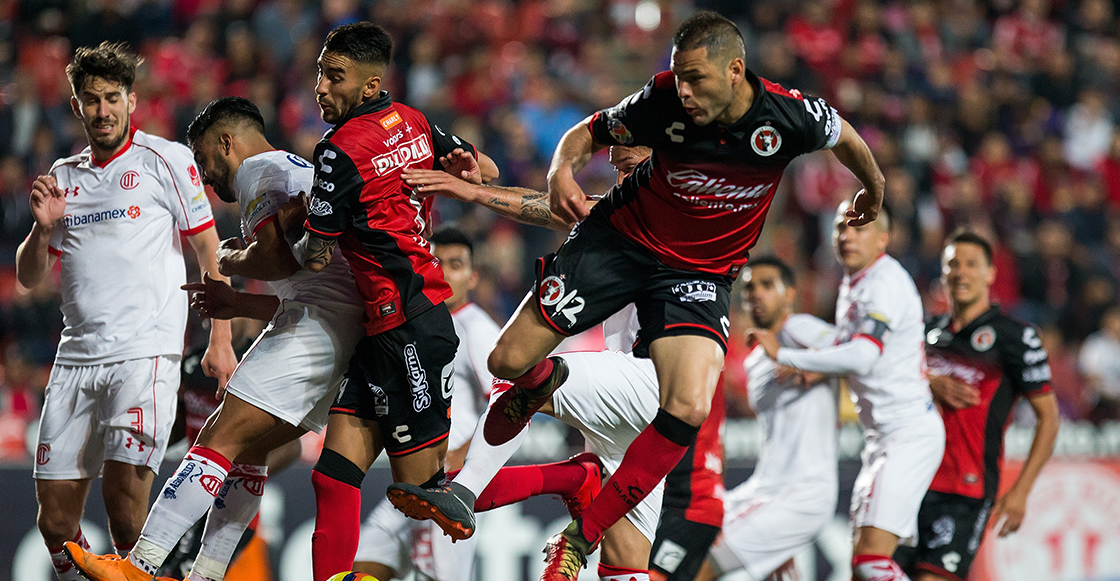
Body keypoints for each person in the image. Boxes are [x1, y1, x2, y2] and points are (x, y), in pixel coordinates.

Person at [389, 11, 885, 580]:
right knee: (506, 361)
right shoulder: (660, 106)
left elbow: (843, 134)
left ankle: (564, 517)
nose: (686, 92)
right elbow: (583, 145)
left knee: (688, 407)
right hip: (622, 249)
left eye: (696, 79)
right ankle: (534, 461)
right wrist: (558, 171)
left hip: (692, 283)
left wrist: (874, 186)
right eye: (679, 78)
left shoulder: (787, 116)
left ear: (735, 70)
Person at [65, 96, 367, 581]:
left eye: (204, 160)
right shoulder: (296, 170)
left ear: (227, 142)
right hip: (339, 332)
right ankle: (205, 575)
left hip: (315, 331)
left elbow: (279, 263)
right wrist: (240, 305)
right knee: (248, 452)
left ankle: (139, 566)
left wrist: (227, 261)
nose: (206, 177)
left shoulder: (259, 170)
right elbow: (319, 283)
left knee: (216, 437)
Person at [394, 146, 681, 581]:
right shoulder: (632, 208)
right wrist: (472, 193)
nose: (621, 179)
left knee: (522, 371)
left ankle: (467, 490)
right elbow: (552, 208)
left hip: (649, 380)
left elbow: (564, 211)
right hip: (639, 410)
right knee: (626, 567)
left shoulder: (678, 214)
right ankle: (574, 477)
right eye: (616, 169)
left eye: (629, 167)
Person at [283, 22, 499, 581]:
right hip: (387, 329)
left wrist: (282, 230)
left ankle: (574, 481)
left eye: (336, 77)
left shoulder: (336, 151)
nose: (321, 89)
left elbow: (316, 257)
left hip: (410, 325)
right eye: (320, 75)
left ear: (371, 83)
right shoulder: (414, 120)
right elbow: (486, 169)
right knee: (332, 477)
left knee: (424, 496)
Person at [14, 42, 237, 581]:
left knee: (127, 519)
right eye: (90, 100)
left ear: (132, 101)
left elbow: (211, 250)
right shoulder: (62, 178)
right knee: (55, 523)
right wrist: (43, 229)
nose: (102, 110)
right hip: (75, 361)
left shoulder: (167, 160)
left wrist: (221, 338)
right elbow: (29, 278)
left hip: (144, 358)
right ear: (75, 107)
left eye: (112, 98)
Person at [749, 202, 945, 581]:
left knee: (871, 564)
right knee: (863, 569)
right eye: (841, 227)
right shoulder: (854, 284)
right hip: (882, 439)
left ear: (883, 238)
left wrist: (785, 354)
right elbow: (851, 346)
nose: (847, 235)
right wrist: (816, 368)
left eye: (859, 228)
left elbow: (864, 355)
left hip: (906, 435)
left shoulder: (883, 282)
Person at [894, 230, 1060, 581]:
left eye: (972, 264)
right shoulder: (923, 335)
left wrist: (1021, 492)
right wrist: (927, 381)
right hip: (908, 483)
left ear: (990, 273)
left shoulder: (1015, 337)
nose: (961, 272)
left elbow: (1049, 418)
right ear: (942, 273)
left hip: (964, 490)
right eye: (953, 264)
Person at [352, 226, 502, 581]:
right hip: (414, 485)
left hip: (445, 485)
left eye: (457, 264)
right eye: (440, 263)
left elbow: (507, 400)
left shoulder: (476, 328)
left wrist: (466, 453)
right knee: (359, 568)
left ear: (473, 276)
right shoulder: (422, 324)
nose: (447, 272)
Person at [693, 257, 838, 581]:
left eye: (766, 285)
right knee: (694, 528)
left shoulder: (799, 330)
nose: (756, 293)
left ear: (789, 293)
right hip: (765, 486)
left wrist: (812, 361)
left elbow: (861, 351)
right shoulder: (755, 359)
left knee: (701, 558)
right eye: (748, 287)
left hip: (802, 491)